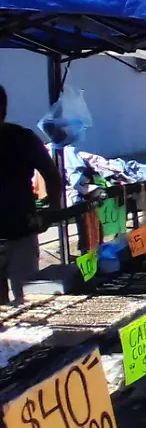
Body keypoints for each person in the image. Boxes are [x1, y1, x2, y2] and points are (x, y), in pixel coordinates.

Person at [0, 85, 62, 303]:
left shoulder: (21, 138)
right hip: (19, 230)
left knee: (30, 300)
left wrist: (52, 208)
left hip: (21, 232)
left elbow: (52, 175)